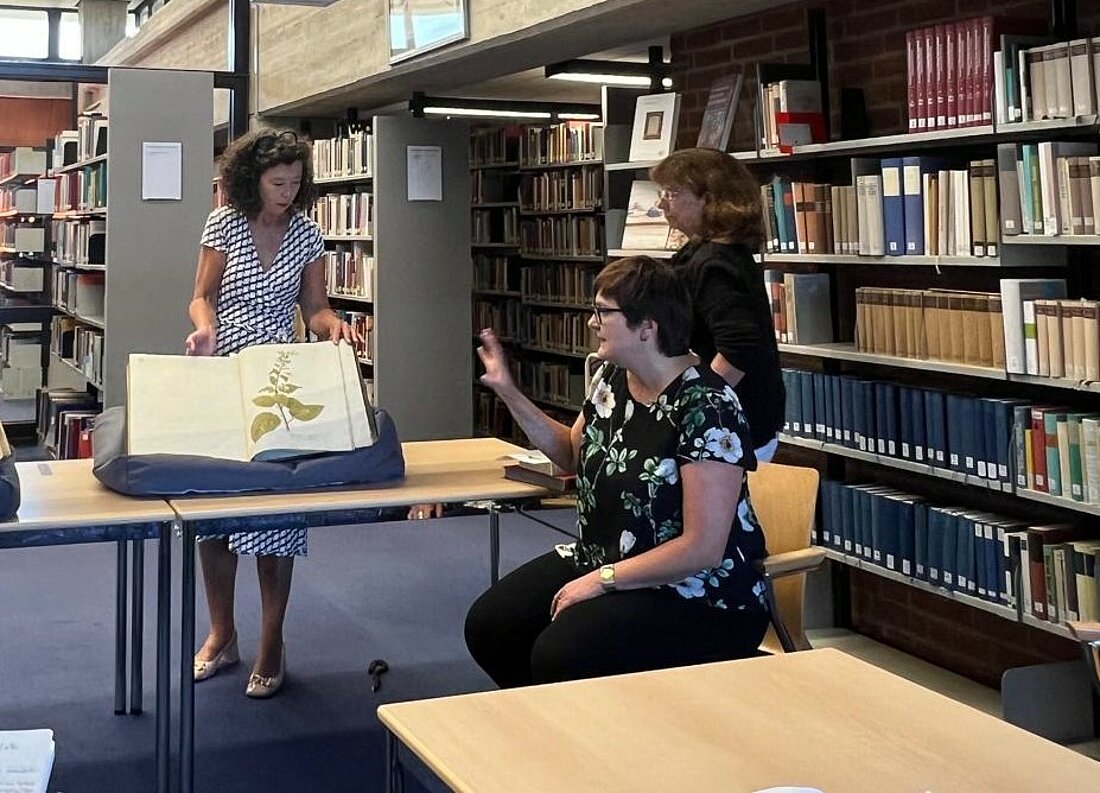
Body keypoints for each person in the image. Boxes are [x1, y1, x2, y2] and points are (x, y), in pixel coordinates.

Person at [464, 256, 769, 688]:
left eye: (603, 312)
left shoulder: (708, 407)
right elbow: (573, 455)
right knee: (491, 627)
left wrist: (602, 582)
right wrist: (511, 394)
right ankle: (551, 729)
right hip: (604, 558)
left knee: (562, 653)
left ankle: (594, 740)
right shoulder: (612, 378)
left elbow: (701, 548)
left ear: (648, 327)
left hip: (697, 593)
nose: (592, 323)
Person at [185, 128, 359, 698]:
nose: (288, 192)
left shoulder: (307, 232)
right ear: (251, 179)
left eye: (295, 182)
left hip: (278, 381)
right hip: (222, 370)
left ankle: (272, 641)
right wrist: (204, 328)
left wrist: (332, 328)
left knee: (278, 518)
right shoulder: (224, 223)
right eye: (277, 182)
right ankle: (221, 633)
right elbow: (201, 296)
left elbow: (314, 307)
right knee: (215, 510)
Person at [651, 147, 785, 461]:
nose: (661, 204)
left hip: (732, 426)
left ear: (710, 200)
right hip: (727, 421)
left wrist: (696, 407)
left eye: (672, 193)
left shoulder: (717, 263)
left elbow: (739, 348)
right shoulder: (701, 252)